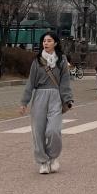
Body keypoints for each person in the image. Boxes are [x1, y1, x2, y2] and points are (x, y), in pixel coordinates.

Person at [18, 31, 74, 174]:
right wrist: (24, 102)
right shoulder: (37, 61)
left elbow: (65, 82)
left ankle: (53, 157)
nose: (46, 43)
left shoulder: (61, 60)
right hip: (39, 97)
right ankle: (43, 162)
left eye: (49, 41)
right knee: (38, 131)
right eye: (44, 41)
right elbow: (30, 83)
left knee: (53, 130)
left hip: (55, 96)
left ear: (55, 43)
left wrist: (67, 99)